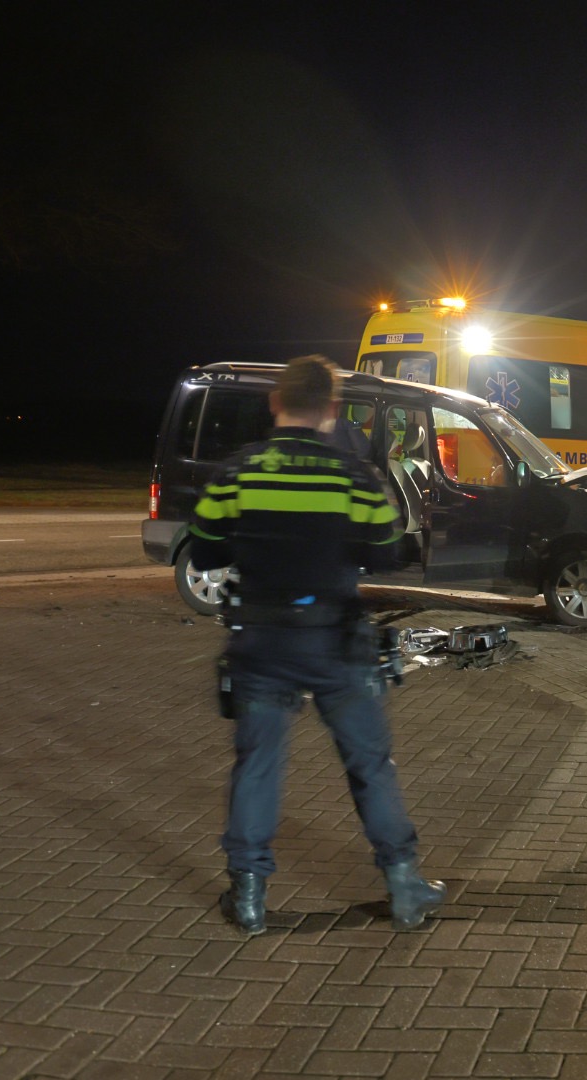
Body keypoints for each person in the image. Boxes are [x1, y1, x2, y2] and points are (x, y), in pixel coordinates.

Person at [189, 355, 446, 935]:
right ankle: (405, 886)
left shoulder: (238, 473)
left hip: (260, 644)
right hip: (336, 642)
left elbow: (203, 550)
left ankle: (248, 897)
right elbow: (387, 551)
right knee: (369, 764)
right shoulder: (352, 475)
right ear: (331, 409)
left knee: (257, 765)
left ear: (275, 403)